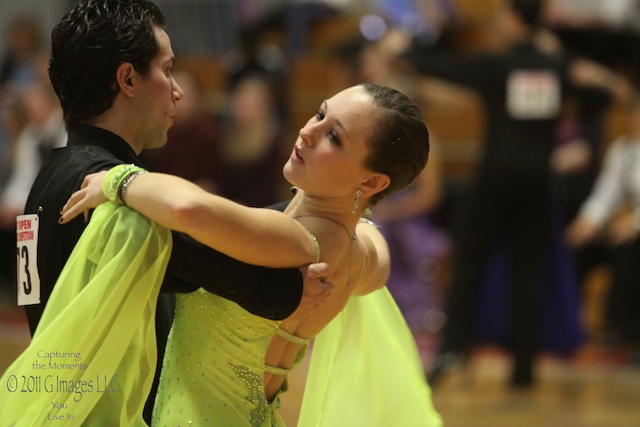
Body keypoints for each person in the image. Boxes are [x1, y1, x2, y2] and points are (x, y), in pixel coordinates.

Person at [0, 1, 329, 425]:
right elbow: (267, 284)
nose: (178, 90)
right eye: (168, 69)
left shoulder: (48, 178)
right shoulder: (115, 197)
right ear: (128, 78)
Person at [60, 83, 442, 426]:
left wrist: (118, 179)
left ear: (372, 181)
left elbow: (189, 210)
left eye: (334, 138)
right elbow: (376, 248)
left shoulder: (297, 241)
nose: (307, 132)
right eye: (320, 113)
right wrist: (357, 210)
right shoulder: (362, 253)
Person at [398, 0, 632, 387]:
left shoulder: (499, 65)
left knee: (470, 263)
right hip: (539, 182)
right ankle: (524, 367)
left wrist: (406, 50)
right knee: (529, 269)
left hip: (495, 180)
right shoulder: (558, 67)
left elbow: (437, 65)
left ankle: (451, 353)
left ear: (514, 19)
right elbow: (603, 97)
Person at [566, 94, 640, 350]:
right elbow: (606, 192)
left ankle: (626, 327)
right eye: (634, 116)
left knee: (628, 247)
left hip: (634, 230)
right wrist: (588, 220)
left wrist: (635, 222)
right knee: (580, 246)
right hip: (624, 228)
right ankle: (568, 322)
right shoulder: (622, 149)